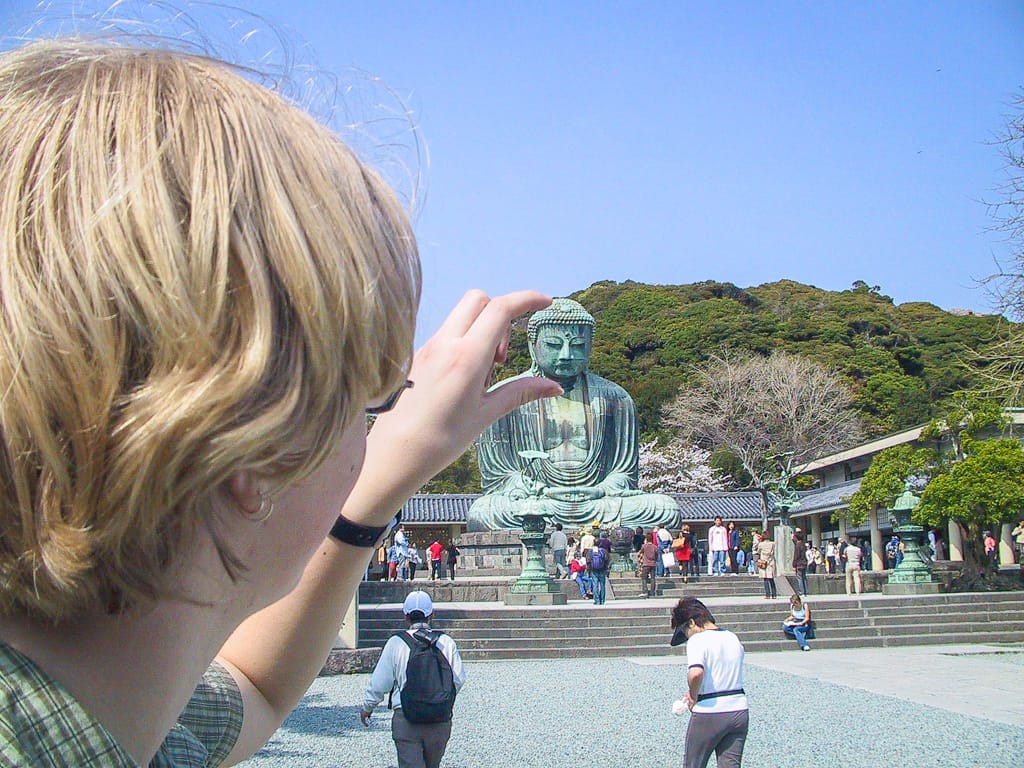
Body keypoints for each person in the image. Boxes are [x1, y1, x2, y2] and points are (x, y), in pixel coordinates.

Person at [0, 38, 563, 767]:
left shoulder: (108, 707)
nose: (375, 433)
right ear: (256, 453)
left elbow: (253, 688)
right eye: (368, 407)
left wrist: (371, 487)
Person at [466, 298, 681, 531]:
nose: (566, 355)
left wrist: (602, 488)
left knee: (665, 508)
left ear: (590, 346)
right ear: (532, 345)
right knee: (483, 511)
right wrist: (527, 486)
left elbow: (624, 472)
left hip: (598, 500)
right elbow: (499, 475)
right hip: (537, 500)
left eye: (578, 346)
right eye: (554, 345)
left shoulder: (616, 398)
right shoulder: (503, 397)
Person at [361, 592, 466, 768]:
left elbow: (380, 682)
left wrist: (368, 707)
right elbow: (458, 678)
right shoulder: (446, 642)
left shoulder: (396, 643)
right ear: (431, 615)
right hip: (439, 718)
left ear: (405, 616)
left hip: (406, 717)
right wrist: (441, 697)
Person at [669, 597, 748, 768]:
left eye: (684, 631)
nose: (686, 636)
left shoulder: (698, 640)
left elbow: (696, 673)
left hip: (710, 711)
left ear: (691, 623)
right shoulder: (732, 637)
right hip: (739, 708)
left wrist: (693, 695)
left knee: (693, 764)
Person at [755, 531, 778, 599]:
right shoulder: (773, 543)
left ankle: (767, 594)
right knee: (771, 578)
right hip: (771, 561)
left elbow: (758, 551)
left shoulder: (761, 544)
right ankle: (774, 594)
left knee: (765, 578)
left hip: (763, 562)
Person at [640, 533, 660, 598]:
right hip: (653, 564)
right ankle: (652, 592)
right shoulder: (655, 547)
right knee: (653, 578)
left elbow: (641, 552)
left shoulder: (644, 546)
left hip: (646, 564)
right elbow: (657, 555)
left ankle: (645, 591)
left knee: (644, 578)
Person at [792, 528, 808, 596]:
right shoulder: (803, 544)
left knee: (799, 578)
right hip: (804, 562)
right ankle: (805, 591)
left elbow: (796, 556)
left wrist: (794, 565)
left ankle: (801, 592)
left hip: (799, 563)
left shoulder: (797, 546)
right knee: (804, 577)